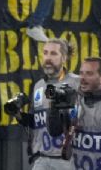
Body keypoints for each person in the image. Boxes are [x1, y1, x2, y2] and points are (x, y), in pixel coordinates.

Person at [14, 40, 80, 169]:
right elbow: (35, 122)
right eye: (45, 53)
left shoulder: (77, 83)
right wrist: (18, 114)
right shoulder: (39, 85)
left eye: (54, 53)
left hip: (68, 160)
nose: (48, 58)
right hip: (42, 159)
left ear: (64, 58)